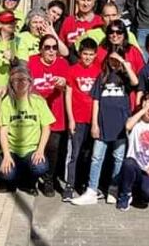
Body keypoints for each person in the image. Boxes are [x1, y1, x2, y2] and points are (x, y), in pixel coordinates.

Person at [72, 46, 138, 206]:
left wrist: (123, 62)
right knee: (96, 158)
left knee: (118, 158)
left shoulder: (125, 77)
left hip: (121, 126)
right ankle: (92, 190)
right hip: (102, 124)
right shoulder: (102, 77)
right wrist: (94, 123)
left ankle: (113, 189)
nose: (114, 62)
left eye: (117, 59)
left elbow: (135, 82)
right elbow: (96, 101)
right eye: (112, 59)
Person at [0, 67, 55, 195]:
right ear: (11, 83)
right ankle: (12, 181)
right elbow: (3, 131)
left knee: (40, 167)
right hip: (13, 150)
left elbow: (46, 128)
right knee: (7, 173)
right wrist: (6, 155)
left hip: (31, 150)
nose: (20, 83)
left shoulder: (38, 101)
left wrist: (40, 150)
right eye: (16, 80)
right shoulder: (7, 102)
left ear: (30, 82)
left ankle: (28, 183)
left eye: (24, 79)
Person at [27, 35, 69, 197]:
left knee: (52, 149)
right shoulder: (32, 62)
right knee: (33, 146)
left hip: (55, 114)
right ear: (40, 49)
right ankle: (31, 180)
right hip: (35, 113)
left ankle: (48, 180)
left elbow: (69, 85)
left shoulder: (62, 63)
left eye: (54, 47)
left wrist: (63, 83)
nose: (51, 51)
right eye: (47, 47)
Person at [63, 38, 101, 201]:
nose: (87, 57)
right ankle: (69, 185)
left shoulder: (99, 70)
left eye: (91, 55)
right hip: (77, 118)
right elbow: (68, 94)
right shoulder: (72, 70)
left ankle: (84, 184)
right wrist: (70, 118)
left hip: (92, 119)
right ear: (79, 53)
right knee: (74, 153)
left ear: (95, 55)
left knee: (88, 154)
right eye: (85, 54)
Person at [117, 93, 149, 211]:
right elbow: (127, 125)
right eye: (147, 107)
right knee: (128, 163)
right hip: (134, 168)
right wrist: (143, 109)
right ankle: (125, 195)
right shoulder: (136, 123)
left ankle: (139, 194)